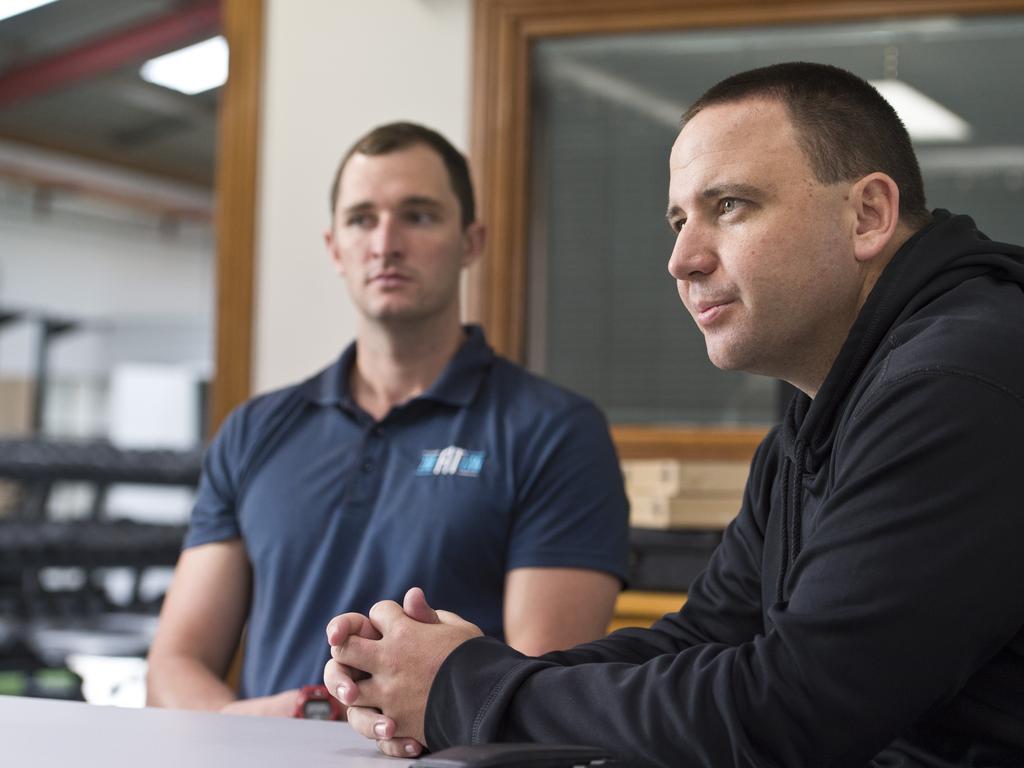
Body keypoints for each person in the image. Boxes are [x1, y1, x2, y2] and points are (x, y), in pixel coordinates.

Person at [325, 64, 1024, 765]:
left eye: (729, 206)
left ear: (868, 214)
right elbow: (703, 638)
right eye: (679, 219)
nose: (681, 260)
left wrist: (467, 692)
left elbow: (789, 712)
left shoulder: (960, 381)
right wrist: (446, 676)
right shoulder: (821, 408)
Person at [146, 122, 630, 716]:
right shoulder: (254, 431)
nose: (385, 243)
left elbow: (535, 693)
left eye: (418, 216)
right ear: (334, 248)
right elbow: (174, 666)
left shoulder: (555, 432)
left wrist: (316, 712)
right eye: (361, 219)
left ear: (471, 242)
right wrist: (254, 728)